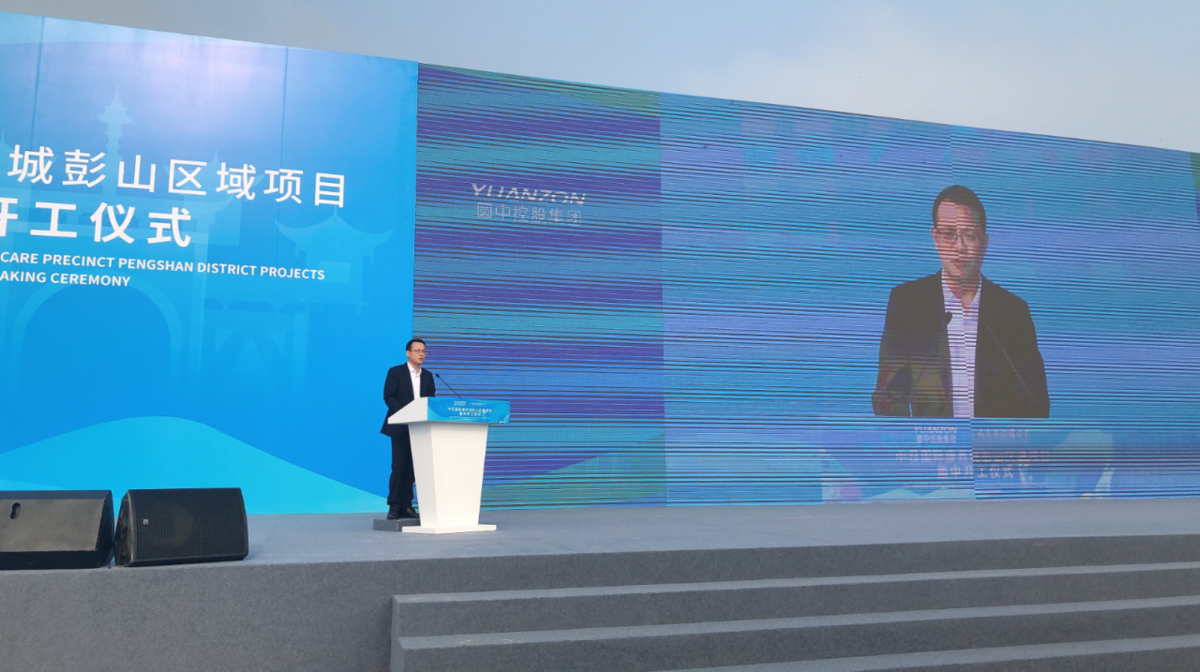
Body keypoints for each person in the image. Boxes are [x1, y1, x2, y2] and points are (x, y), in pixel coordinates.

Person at [872, 185, 1049, 418]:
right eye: (949, 234)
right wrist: (915, 438)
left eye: (970, 236)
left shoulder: (1013, 312)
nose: (959, 247)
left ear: (984, 243)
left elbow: (1036, 400)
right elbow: (888, 397)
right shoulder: (908, 304)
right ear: (935, 238)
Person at [380, 338, 436, 519]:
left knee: (413, 469)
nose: (421, 354)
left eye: (424, 351)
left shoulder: (428, 376)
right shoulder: (396, 372)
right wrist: (406, 413)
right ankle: (394, 506)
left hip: (419, 428)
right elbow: (389, 397)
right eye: (417, 351)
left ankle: (406, 505)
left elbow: (431, 400)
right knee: (399, 467)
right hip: (400, 427)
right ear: (408, 353)